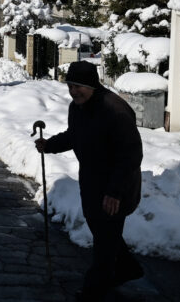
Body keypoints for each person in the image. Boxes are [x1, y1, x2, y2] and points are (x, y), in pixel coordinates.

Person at [35, 61, 143, 301]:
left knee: (104, 243)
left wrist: (115, 192)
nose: (74, 91)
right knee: (104, 234)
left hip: (116, 187)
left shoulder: (115, 111)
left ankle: (93, 292)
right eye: (71, 86)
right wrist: (50, 145)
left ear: (92, 85)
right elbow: (76, 135)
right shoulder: (78, 107)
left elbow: (130, 155)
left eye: (79, 86)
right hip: (92, 183)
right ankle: (127, 268)